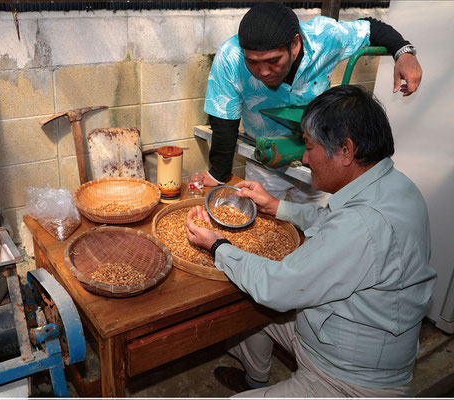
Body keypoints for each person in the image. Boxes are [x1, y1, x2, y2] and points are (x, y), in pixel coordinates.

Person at [186, 85, 436, 397]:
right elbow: (331, 224)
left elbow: (275, 287)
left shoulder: (361, 225)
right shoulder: (395, 186)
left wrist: (218, 245)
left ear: (346, 151)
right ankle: (255, 380)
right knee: (244, 309)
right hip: (332, 336)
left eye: (308, 146)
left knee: (256, 291)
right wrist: (277, 206)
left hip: (348, 379)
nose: (305, 158)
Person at [202, 2, 423, 204]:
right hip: (264, 162)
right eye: (252, 62)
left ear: (295, 43)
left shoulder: (324, 37)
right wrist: (219, 174)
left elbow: (371, 28)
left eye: (273, 60)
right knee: (261, 230)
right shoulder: (230, 56)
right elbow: (224, 119)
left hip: (318, 161)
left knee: (315, 230)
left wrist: (404, 53)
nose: (264, 71)